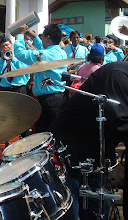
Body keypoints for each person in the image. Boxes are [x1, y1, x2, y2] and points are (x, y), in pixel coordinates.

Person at [50, 61, 128, 220]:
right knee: (73, 208)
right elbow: (121, 123)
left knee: (96, 208)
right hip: (72, 150)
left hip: (94, 152)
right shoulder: (117, 76)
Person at [14, 24, 67, 132]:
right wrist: (34, 36)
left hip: (48, 102)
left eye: (43, 36)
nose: (41, 39)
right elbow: (43, 49)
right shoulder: (61, 52)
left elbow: (20, 54)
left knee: (43, 136)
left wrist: (20, 35)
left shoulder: (46, 54)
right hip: (58, 98)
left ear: (48, 37)